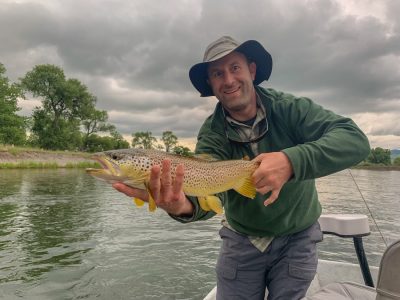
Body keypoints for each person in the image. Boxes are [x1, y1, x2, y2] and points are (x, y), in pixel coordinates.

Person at [113, 36, 371, 300]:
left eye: (235, 68)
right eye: (217, 73)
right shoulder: (212, 133)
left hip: (298, 237)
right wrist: (181, 206)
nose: (228, 80)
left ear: (252, 70)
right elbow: (209, 191)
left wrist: (291, 161)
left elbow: (355, 140)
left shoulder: (291, 109)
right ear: (211, 85)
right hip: (242, 239)